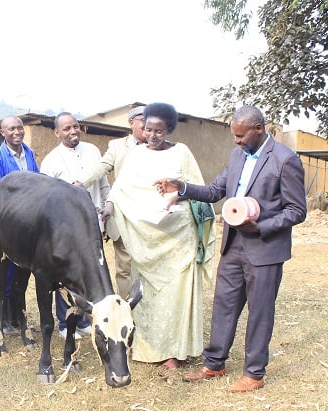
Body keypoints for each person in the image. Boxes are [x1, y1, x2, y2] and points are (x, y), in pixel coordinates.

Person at [155, 104, 307, 392]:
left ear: (258, 129)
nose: (236, 141)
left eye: (241, 136)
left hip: (265, 249)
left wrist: (261, 226)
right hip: (234, 245)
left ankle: (254, 373)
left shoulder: (285, 160)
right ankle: (214, 364)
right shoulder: (238, 155)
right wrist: (181, 188)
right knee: (224, 304)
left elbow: (297, 210)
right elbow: (214, 191)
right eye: (234, 136)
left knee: (260, 311)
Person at [103, 102, 215, 368]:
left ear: (169, 130)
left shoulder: (183, 153)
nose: (152, 136)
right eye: (148, 129)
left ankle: (176, 353)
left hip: (178, 237)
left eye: (159, 131)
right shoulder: (136, 155)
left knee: (176, 297)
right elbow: (119, 190)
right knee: (150, 297)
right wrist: (107, 208)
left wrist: (176, 198)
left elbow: (198, 190)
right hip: (147, 239)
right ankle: (149, 349)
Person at [40, 112, 109, 340]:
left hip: (93, 227)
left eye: (75, 127)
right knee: (66, 276)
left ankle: (83, 319)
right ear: (57, 132)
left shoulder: (93, 152)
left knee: (89, 274)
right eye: (67, 129)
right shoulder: (50, 161)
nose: (72, 132)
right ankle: (64, 322)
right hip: (65, 233)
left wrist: (107, 209)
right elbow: (46, 201)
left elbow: (104, 185)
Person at [80, 105, 147, 297]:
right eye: (142, 119)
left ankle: (150, 311)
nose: (146, 123)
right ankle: (128, 309)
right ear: (131, 123)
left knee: (148, 267)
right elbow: (101, 167)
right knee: (124, 267)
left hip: (151, 218)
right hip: (123, 215)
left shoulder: (159, 146)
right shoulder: (117, 146)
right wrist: (79, 184)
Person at [0, 116, 40, 334]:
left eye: (19, 128)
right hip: (8, 224)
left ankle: (19, 317)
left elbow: (37, 183)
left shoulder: (29, 153)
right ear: (3, 133)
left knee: (23, 272)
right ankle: (5, 321)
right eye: (11, 129)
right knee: (6, 273)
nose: (16, 132)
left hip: (29, 222)